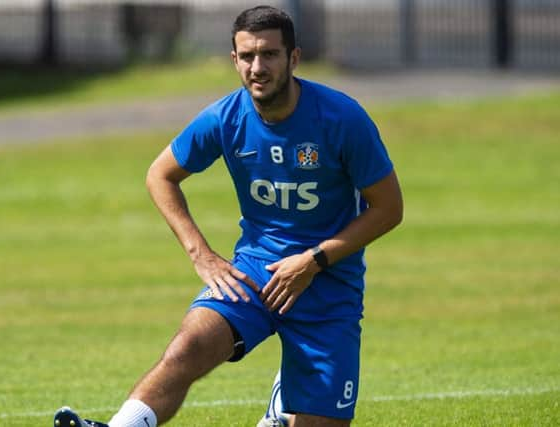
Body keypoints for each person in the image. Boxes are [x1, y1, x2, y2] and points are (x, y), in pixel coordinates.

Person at [53, 5, 403, 427]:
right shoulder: (226, 117)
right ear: (234, 60)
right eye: (248, 56)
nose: (259, 67)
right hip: (253, 273)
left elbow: (389, 208)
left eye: (270, 54)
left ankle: (282, 407)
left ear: (293, 58)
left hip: (329, 284)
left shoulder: (342, 119)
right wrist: (200, 253)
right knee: (188, 348)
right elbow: (160, 175)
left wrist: (314, 261)